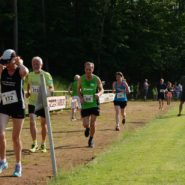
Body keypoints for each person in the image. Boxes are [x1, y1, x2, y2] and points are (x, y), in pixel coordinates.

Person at [0, 49, 29, 177]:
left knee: (15, 138)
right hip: (4, 105)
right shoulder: (2, 70)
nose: (6, 64)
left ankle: (18, 165)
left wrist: (20, 62)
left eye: (8, 62)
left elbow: (25, 72)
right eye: (4, 62)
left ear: (14, 59)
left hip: (18, 106)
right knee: (0, 134)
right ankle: (3, 161)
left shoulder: (19, 71)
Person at [26, 56, 54, 153]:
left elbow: (51, 88)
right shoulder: (29, 75)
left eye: (38, 64)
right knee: (32, 121)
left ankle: (43, 143)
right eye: (34, 63)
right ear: (32, 65)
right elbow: (29, 86)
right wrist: (28, 92)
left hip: (42, 103)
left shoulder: (46, 75)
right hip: (33, 102)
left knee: (43, 123)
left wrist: (47, 93)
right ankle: (34, 143)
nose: (36, 65)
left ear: (41, 65)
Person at [77, 62, 104, 148]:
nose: (88, 71)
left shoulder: (96, 78)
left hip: (94, 104)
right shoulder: (81, 79)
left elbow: (102, 89)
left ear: (92, 69)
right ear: (85, 69)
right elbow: (78, 90)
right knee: (85, 124)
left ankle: (91, 139)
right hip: (85, 105)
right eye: (87, 69)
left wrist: (98, 94)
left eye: (90, 69)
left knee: (93, 123)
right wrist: (80, 97)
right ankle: (87, 128)